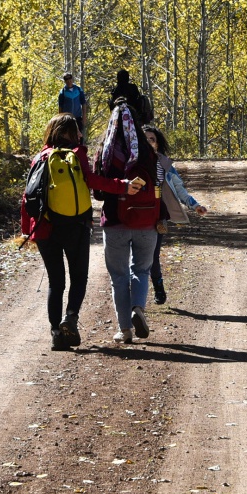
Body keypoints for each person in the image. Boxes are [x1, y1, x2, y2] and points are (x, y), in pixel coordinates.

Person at [20, 114, 142, 350]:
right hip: (76, 226)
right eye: (77, 130)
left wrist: (28, 231)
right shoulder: (77, 155)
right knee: (78, 278)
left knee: (56, 282)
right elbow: (94, 181)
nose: (80, 134)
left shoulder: (39, 158)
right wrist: (124, 185)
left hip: (46, 228)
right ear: (71, 133)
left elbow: (28, 197)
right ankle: (71, 318)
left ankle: (56, 333)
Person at [99, 117, 164, 346]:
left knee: (119, 277)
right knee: (141, 270)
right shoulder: (150, 155)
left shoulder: (107, 150)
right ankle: (138, 307)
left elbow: (98, 192)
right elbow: (160, 185)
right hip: (147, 222)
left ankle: (125, 329)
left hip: (115, 223)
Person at [145, 126, 207, 305]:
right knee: (136, 257)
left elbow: (179, 188)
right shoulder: (132, 162)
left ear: (157, 143)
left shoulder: (164, 164)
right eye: (145, 139)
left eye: (152, 139)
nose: (148, 143)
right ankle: (135, 300)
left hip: (158, 215)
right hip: (135, 214)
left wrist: (194, 205)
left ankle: (158, 288)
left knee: (152, 256)